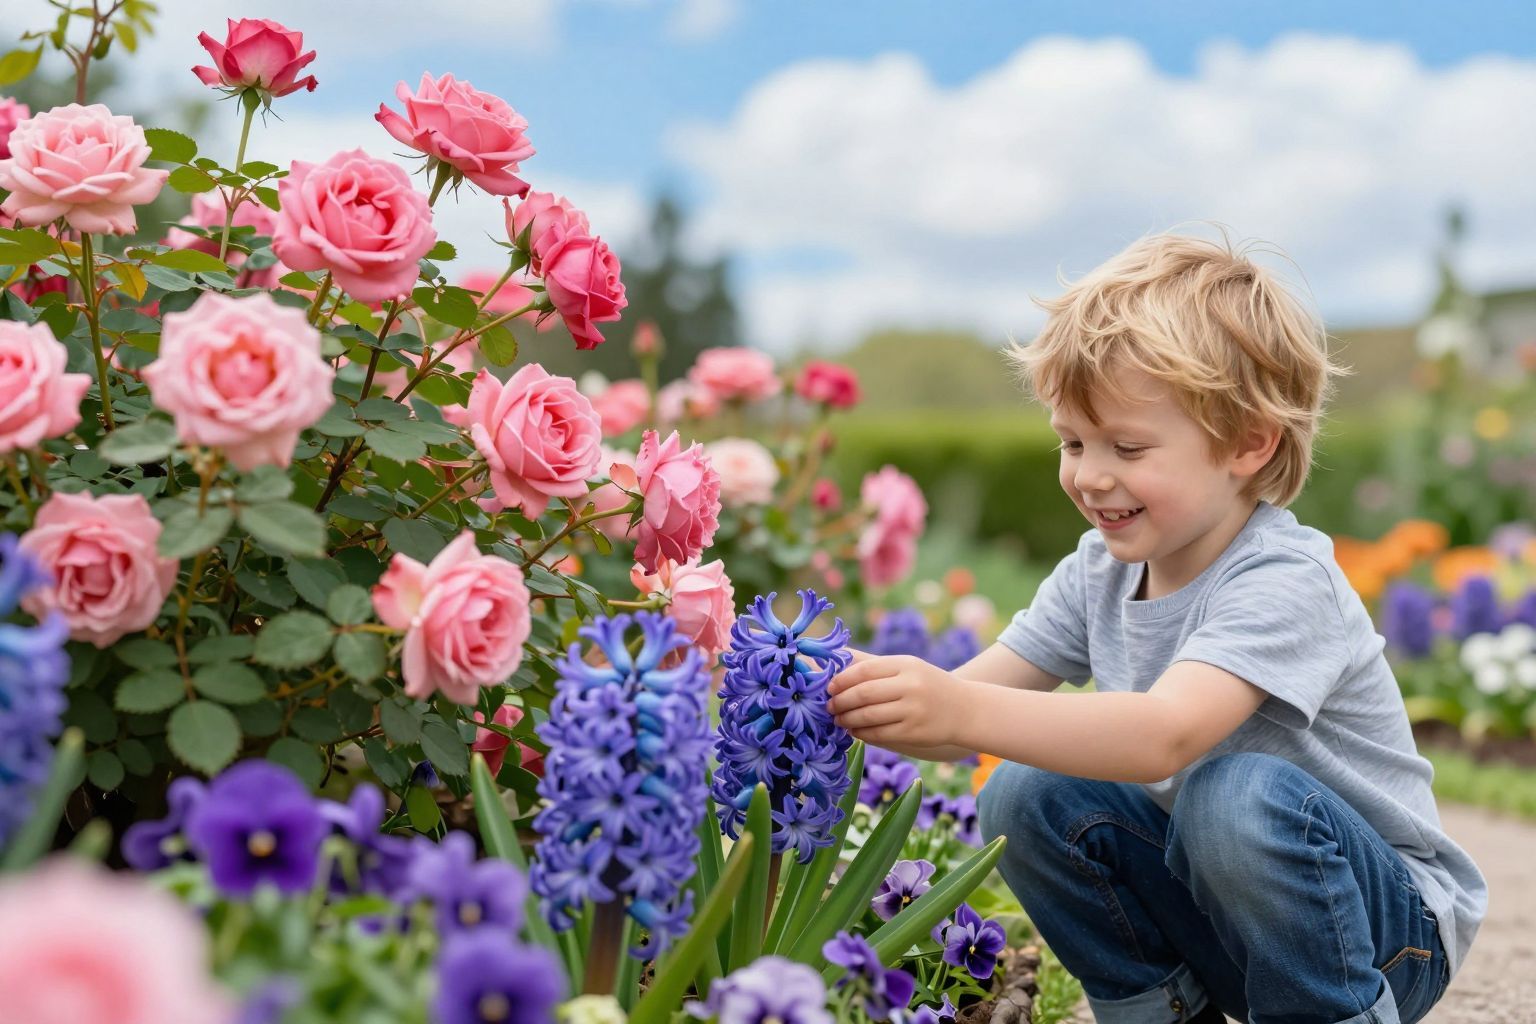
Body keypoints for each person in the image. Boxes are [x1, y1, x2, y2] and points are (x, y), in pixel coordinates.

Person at [826, 232, 1487, 1024]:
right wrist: (843, 692)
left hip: (1385, 935)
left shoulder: (1283, 578)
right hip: (1226, 918)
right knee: (1024, 793)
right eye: (1072, 441)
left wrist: (959, 712)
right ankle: (1161, 1012)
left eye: (1127, 446)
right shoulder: (1097, 571)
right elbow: (960, 711)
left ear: (1249, 443)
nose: (1089, 475)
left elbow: (1163, 735)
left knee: (1231, 795)